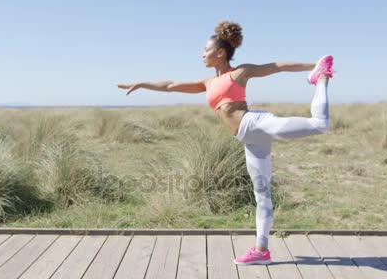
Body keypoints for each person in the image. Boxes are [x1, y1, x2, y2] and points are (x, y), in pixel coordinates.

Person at [117, 20, 334, 265]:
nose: (202, 54)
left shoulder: (239, 73)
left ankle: (322, 79)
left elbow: (277, 67)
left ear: (220, 53)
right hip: (250, 140)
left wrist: (313, 66)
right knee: (262, 194)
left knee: (319, 125)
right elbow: (170, 86)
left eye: (205, 50)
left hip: (255, 124)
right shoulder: (207, 83)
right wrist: (142, 84)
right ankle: (261, 251)